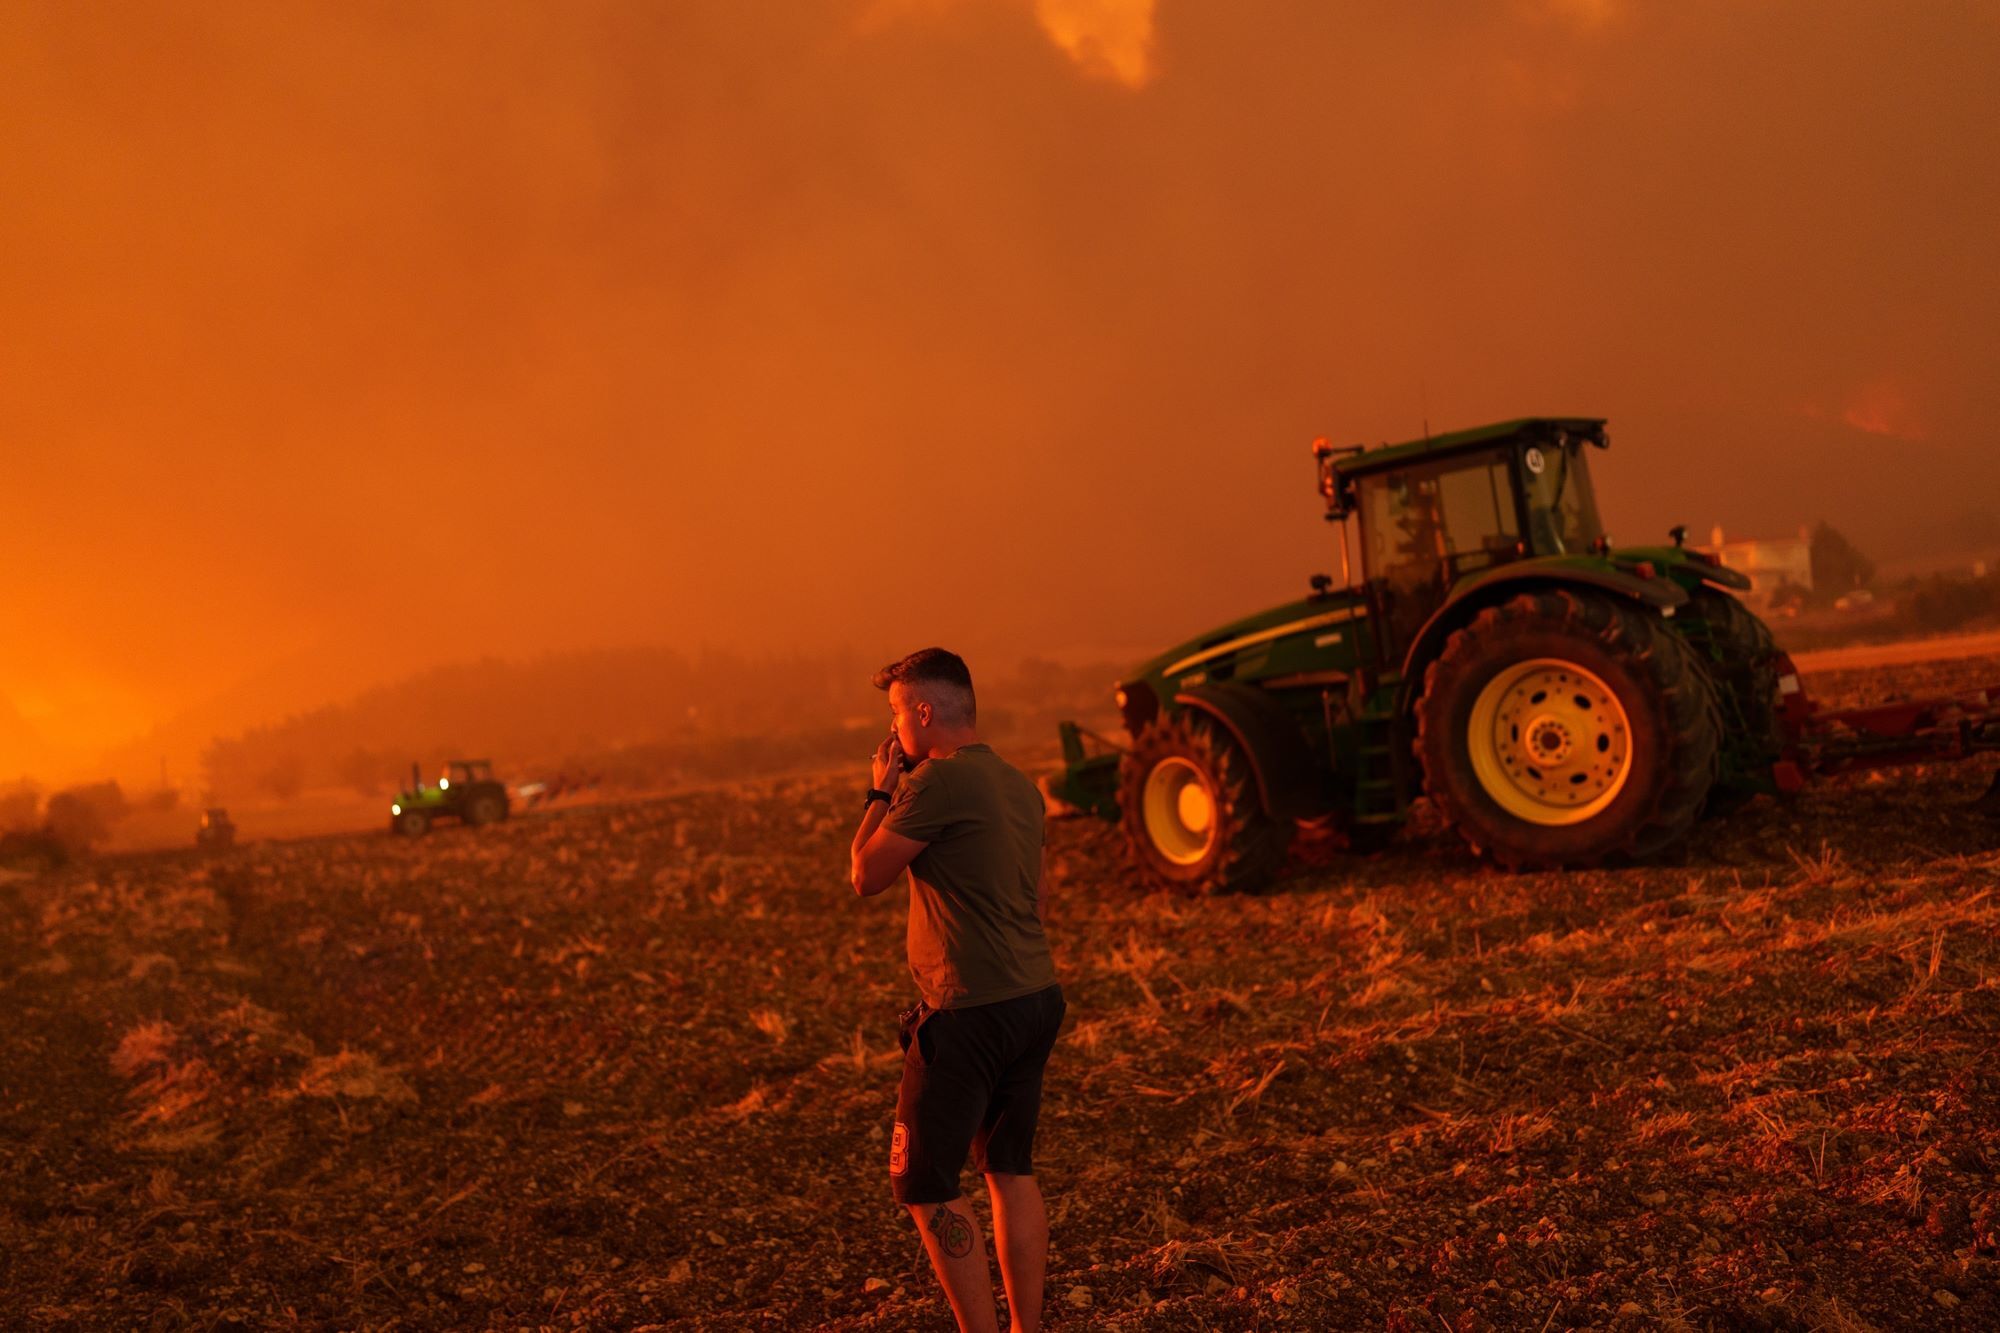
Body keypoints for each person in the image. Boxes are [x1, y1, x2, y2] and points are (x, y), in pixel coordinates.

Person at [850, 647, 1064, 1333]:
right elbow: (1035, 897)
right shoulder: (1018, 784)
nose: (893, 733)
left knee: (925, 1183)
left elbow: (864, 874)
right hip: (1034, 997)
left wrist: (881, 789)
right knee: (1009, 1167)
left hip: (967, 1010)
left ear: (923, 711)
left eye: (894, 714)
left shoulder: (932, 784)